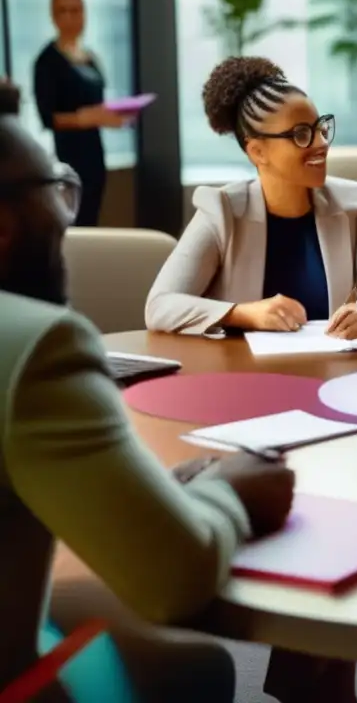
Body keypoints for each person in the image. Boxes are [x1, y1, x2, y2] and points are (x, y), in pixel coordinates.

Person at [0, 78, 296, 701]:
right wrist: (231, 492)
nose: (64, 213)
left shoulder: (345, 202)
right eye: (56, 190)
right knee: (200, 668)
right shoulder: (38, 347)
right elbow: (174, 575)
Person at [145, 56, 357, 340]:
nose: (321, 143)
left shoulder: (348, 204)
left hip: (328, 371)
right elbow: (161, 305)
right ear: (257, 152)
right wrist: (246, 313)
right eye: (301, 134)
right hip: (244, 375)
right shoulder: (221, 211)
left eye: (320, 129)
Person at [33, 0, 132, 227]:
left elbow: (98, 102)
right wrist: (86, 117)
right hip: (69, 154)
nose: (70, 17)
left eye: (76, 10)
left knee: (93, 213)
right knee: (75, 219)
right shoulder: (47, 62)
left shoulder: (89, 57)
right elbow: (48, 117)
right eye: (63, 11)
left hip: (94, 152)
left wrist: (112, 115)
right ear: (53, 16)